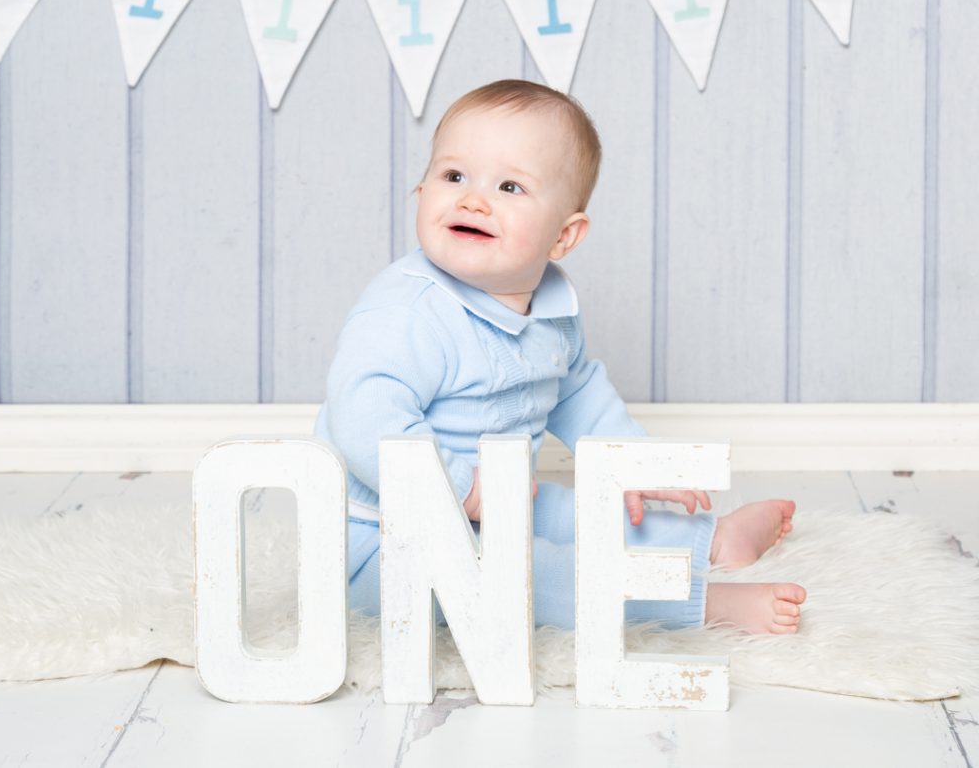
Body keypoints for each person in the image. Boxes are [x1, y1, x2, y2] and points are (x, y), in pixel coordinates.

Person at [315, 79, 806, 635]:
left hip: (496, 505)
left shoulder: (551, 308)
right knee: (535, 576)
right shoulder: (407, 314)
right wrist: (463, 488)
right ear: (421, 188)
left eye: (509, 186)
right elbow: (364, 421)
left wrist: (633, 463)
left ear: (563, 237)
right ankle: (702, 603)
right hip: (384, 541)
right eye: (454, 176)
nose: (473, 198)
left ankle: (709, 539)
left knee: (577, 514)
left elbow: (577, 394)